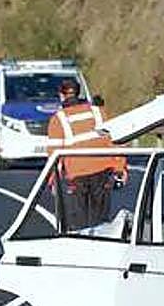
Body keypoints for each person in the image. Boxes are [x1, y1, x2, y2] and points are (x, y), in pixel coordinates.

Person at [46, 79, 126, 231]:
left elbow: (54, 155)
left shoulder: (58, 119)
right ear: (79, 92)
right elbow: (115, 141)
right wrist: (120, 168)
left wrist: (53, 180)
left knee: (79, 225)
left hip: (77, 177)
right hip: (103, 173)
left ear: (61, 95)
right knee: (102, 225)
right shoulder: (98, 112)